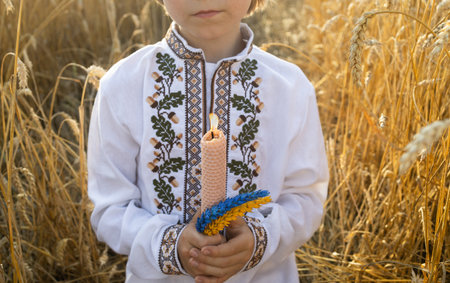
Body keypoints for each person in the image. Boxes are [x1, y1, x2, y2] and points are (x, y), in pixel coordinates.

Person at [87, 0, 329, 282]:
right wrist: (171, 245)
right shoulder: (122, 85)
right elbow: (108, 210)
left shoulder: (291, 87)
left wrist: (260, 239)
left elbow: (306, 199)